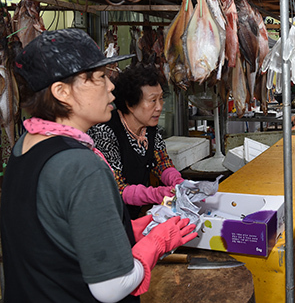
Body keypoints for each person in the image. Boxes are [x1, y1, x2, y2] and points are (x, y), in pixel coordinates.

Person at [0, 28, 197, 303]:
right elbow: (112, 287)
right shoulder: (81, 165)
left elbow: (55, 240)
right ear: (62, 92)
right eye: (100, 78)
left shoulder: (26, 147)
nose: (111, 86)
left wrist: (132, 229)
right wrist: (157, 242)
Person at [89, 64, 184, 219]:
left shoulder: (150, 129)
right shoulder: (105, 131)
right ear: (130, 104)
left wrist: (178, 181)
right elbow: (117, 189)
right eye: (153, 100)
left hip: (131, 216)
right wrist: (156, 194)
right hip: (106, 217)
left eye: (161, 99)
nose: (159, 107)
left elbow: (162, 163)